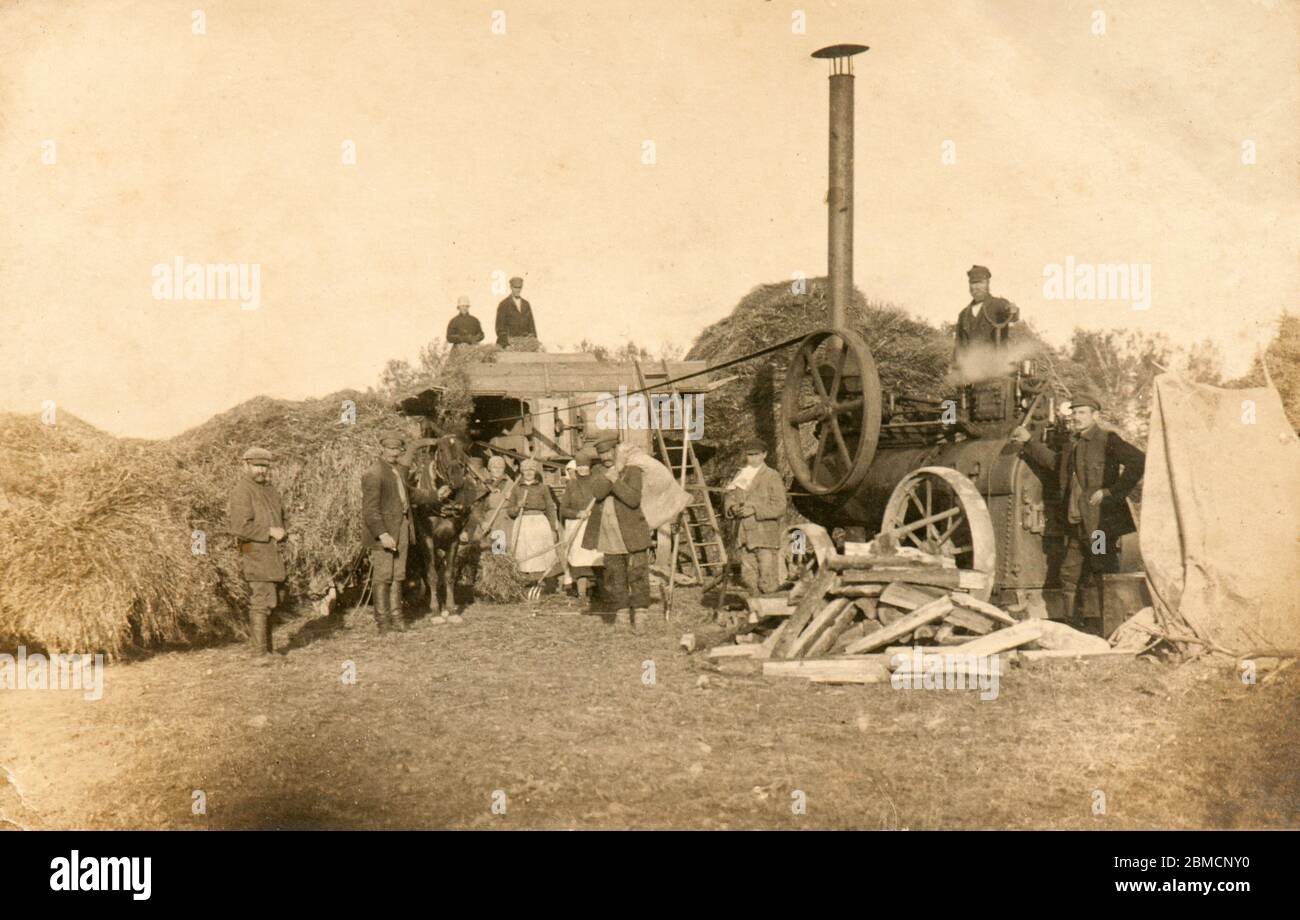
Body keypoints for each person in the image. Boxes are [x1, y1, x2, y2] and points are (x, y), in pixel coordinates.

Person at [1011, 394, 1145, 634]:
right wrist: (1029, 442)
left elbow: (1138, 461)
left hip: (1099, 526)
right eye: (1074, 412)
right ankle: (1074, 629)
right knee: (1069, 574)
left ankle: (1111, 631)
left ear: (1095, 415)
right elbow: (1055, 464)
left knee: (1102, 569)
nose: (1076, 417)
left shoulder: (1107, 440)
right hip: (1076, 524)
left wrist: (1110, 492)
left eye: (1082, 412)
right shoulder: (1072, 444)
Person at [583, 437, 652, 631]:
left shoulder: (633, 470)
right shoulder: (598, 471)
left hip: (632, 532)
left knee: (637, 573)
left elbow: (632, 499)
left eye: (608, 452)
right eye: (601, 453)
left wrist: (614, 480)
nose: (605, 457)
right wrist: (612, 475)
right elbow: (598, 493)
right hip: (608, 533)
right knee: (615, 577)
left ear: (617, 450)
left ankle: (640, 617)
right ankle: (621, 617)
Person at [226, 447, 288, 658]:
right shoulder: (242, 491)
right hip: (254, 553)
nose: (261, 470)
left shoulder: (270, 490)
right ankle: (260, 654)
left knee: (272, 599)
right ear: (245, 465)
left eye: (264, 466)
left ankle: (268, 650)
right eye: (256, 466)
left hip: (272, 553)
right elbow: (239, 528)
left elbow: (280, 519)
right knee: (261, 600)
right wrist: (270, 531)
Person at [361, 434, 424, 634]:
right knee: (383, 576)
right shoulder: (374, 473)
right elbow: (370, 511)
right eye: (390, 449)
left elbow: (410, 494)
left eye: (397, 450)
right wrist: (382, 534)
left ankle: (397, 618)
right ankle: (383, 622)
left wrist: (435, 495)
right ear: (382, 449)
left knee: (398, 574)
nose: (394, 453)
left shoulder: (397, 471)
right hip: (385, 532)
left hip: (402, 526)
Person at [724, 439, 788, 595]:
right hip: (744, 536)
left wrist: (753, 509)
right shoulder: (741, 474)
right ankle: (754, 607)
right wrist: (732, 507)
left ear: (764, 455)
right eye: (749, 455)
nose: (752, 458)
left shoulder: (772, 476)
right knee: (749, 579)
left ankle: (771, 607)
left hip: (764, 536)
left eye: (756, 455)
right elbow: (730, 496)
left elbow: (780, 506)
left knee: (767, 579)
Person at [559, 448, 604, 600]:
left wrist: (595, 512)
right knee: (579, 560)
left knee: (597, 559)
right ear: (576, 467)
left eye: (585, 465)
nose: (582, 469)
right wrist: (578, 514)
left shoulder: (598, 482)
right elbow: (563, 509)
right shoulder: (572, 485)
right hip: (576, 527)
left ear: (589, 466)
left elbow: (604, 503)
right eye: (579, 466)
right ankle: (582, 593)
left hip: (594, 524)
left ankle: (601, 592)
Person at [508, 458, 561, 581]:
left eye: (531, 469)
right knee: (524, 553)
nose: (529, 472)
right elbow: (510, 511)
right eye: (526, 470)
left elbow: (550, 508)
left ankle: (541, 580)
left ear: (535, 471)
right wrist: (518, 506)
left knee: (540, 553)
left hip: (539, 523)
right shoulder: (516, 488)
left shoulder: (543, 488)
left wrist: (553, 529)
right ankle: (526, 580)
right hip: (523, 523)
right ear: (522, 471)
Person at [954, 265, 1019, 361]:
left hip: (996, 366)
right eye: (973, 283)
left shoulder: (999, 304)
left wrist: (1013, 310)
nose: (977, 287)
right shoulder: (963, 314)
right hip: (969, 367)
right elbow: (958, 347)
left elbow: (1012, 316)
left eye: (981, 282)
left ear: (988, 284)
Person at [495, 276, 538, 347]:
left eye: (519, 287)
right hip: (508, 344)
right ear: (511, 287)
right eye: (515, 287)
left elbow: (531, 325)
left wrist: (534, 342)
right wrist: (507, 344)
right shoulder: (504, 304)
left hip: (524, 344)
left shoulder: (526, 304)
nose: (517, 290)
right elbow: (500, 328)